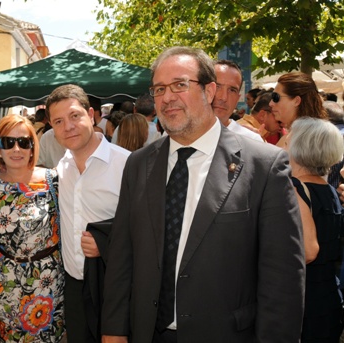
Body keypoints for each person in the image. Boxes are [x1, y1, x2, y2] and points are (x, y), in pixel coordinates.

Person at [101, 46, 305, 342]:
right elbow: (122, 257)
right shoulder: (138, 164)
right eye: (159, 89)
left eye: (180, 85)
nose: (167, 97)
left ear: (210, 91)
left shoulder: (265, 166)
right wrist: (114, 331)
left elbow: (283, 278)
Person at [46, 84, 131, 342]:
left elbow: (145, 227)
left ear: (91, 115)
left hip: (114, 288)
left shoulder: (126, 164)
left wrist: (105, 241)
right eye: (58, 121)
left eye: (74, 116)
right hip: (74, 285)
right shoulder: (61, 168)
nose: (68, 126)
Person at [0, 115, 65, 342]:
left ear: (32, 147)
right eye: (8, 142)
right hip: (8, 281)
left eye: (24, 142)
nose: (16, 149)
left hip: (48, 280)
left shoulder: (53, 180)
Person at [287, 117, 344, 342]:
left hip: (305, 300)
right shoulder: (329, 190)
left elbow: (309, 252)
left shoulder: (295, 188)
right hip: (328, 294)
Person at [270, 71, 327, 148]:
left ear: (296, 101)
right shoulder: (320, 135)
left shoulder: (298, 141)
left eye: (275, 97)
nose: (270, 103)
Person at [212, 60, 263, 142]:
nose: (223, 97)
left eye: (232, 90)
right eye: (217, 87)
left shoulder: (251, 141)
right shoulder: (185, 134)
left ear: (237, 98)